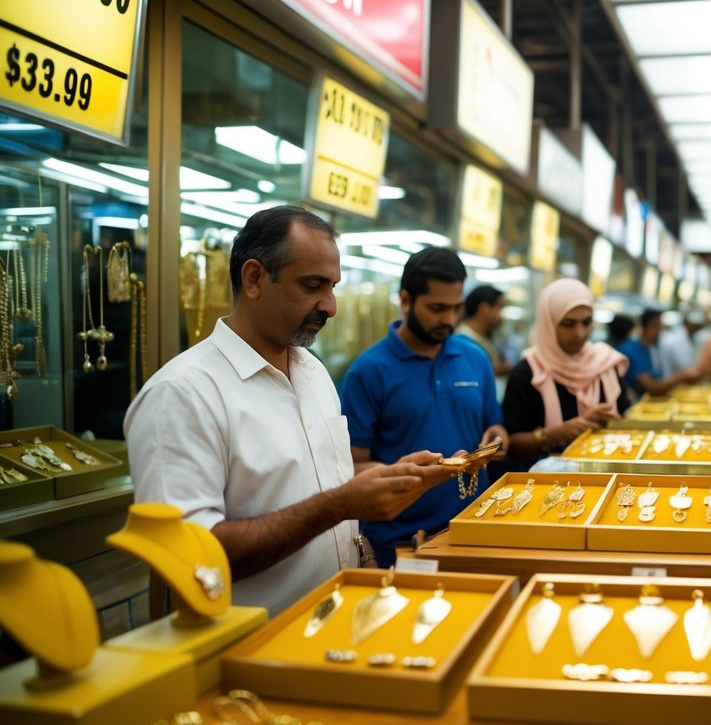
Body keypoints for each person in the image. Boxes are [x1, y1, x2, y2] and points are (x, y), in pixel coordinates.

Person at [125, 206, 446, 615]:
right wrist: (341, 504)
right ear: (255, 278)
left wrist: (392, 478)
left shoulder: (313, 373)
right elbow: (191, 558)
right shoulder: (183, 394)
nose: (329, 306)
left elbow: (313, 482)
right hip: (249, 653)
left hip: (331, 625)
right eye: (312, 285)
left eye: (332, 286)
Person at [340, 248, 509, 566]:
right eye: (436, 308)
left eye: (456, 308)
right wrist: (416, 473)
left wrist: (496, 442)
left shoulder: (474, 358)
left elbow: (496, 427)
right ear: (405, 300)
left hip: (474, 533)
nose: (448, 319)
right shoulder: (368, 371)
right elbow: (351, 469)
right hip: (401, 544)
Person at [503, 278, 630, 466]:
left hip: (606, 475)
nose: (579, 333)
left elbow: (625, 421)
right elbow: (512, 446)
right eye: (568, 324)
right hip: (548, 485)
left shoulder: (606, 364)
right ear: (549, 323)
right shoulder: (528, 372)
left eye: (586, 322)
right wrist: (553, 434)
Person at [616, 308, 701, 398]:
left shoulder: (652, 349)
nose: (659, 331)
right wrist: (682, 376)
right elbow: (652, 388)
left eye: (661, 326)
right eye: (655, 326)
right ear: (642, 327)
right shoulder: (631, 350)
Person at [457, 285, 513, 377]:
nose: (501, 316)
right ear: (484, 309)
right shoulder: (462, 340)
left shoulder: (481, 339)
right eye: (500, 308)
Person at [659, 308, 707, 378]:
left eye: (698, 326)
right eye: (695, 325)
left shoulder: (696, 338)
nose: (696, 328)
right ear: (687, 322)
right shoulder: (672, 340)